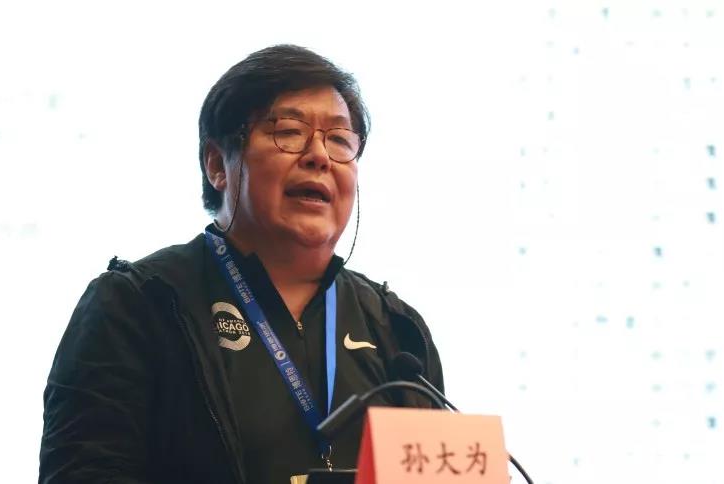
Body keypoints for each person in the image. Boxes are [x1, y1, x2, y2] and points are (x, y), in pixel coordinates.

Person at [39, 44, 444, 484]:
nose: (320, 156)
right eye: (289, 132)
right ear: (218, 164)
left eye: (340, 140)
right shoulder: (138, 305)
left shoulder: (394, 330)